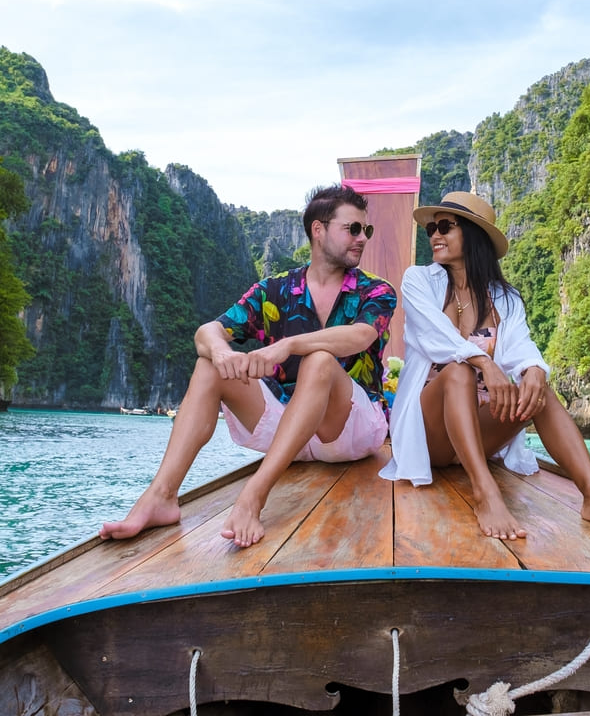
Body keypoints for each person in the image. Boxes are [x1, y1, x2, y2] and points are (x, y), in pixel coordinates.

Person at [100, 184, 396, 548]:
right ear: (318, 230)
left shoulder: (376, 291)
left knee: (319, 362)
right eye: (353, 228)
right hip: (288, 426)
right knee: (209, 363)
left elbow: (361, 336)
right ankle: (160, 497)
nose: (362, 238)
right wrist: (223, 354)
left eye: (366, 230)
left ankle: (253, 496)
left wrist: (288, 346)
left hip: (348, 429)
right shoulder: (275, 289)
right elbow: (207, 331)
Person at [380, 190, 590, 543]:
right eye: (431, 229)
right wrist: (484, 362)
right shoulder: (420, 280)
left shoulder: (504, 297)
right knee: (458, 370)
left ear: (473, 235)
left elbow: (521, 346)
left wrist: (534, 369)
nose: (435, 235)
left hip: (479, 428)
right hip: (432, 436)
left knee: (539, 388)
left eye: (445, 226)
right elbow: (434, 336)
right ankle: (485, 492)